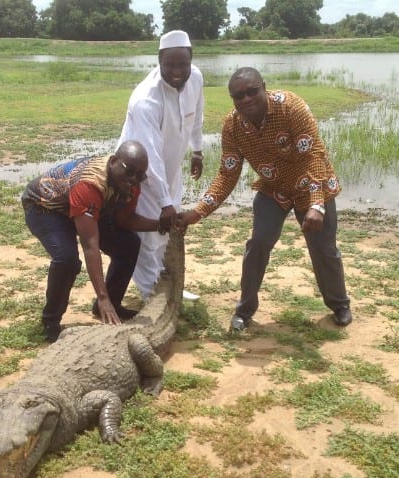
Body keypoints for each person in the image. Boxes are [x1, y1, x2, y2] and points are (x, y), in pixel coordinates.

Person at [177, 67, 352, 331]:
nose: (246, 99)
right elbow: (227, 173)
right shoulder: (233, 126)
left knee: (324, 248)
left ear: (264, 87)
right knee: (257, 243)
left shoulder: (291, 107)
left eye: (252, 91)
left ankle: (339, 304)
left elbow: (312, 155)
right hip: (274, 189)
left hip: (312, 184)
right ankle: (244, 311)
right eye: (238, 96)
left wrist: (317, 203)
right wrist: (198, 212)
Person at [21, 140, 160, 343]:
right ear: (113, 161)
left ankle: (111, 303)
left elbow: (124, 220)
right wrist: (101, 295)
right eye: (129, 171)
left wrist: (160, 225)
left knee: (128, 244)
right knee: (67, 260)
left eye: (140, 175)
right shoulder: (89, 184)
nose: (133, 179)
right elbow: (90, 245)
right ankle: (51, 321)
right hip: (46, 208)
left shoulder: (131, 183)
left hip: (87, 207)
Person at [117, 29, 205, 300]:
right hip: (138, 175)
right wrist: (163, 201)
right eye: (170, 64)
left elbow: (197, 115)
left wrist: (198, 150)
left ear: (191, 61)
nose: (177, 71)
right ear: (159, 61)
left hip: (171, 167)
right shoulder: (146, 100)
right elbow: (150, 154)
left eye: (183, 64)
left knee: (171, 224)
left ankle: (165, 281)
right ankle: (150, 294)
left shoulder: (196, 78)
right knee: (149, 233)